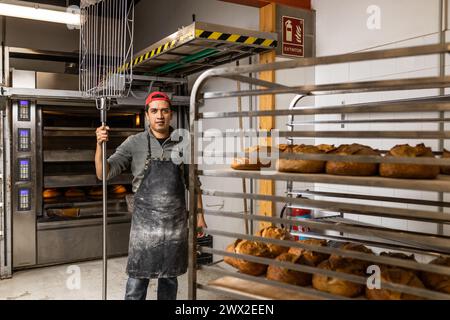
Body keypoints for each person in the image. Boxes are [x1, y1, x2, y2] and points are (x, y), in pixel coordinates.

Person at [94, 91, 207, 300]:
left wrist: (200, 215)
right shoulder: (134, 143)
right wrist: (99, 145)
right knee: (137, 281)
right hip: (144, 226)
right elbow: (103, 173)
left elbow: (193, 183)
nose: (160, 115)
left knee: (170, 280)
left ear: (171, 114)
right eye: (154, 111)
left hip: (174, 224)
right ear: (147, 115)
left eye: (164, 110)